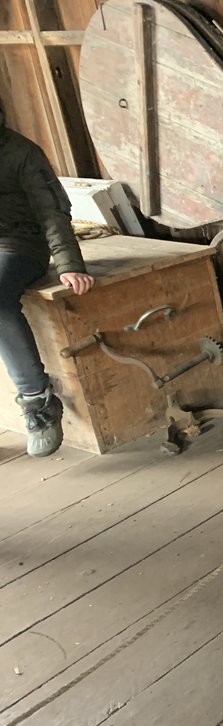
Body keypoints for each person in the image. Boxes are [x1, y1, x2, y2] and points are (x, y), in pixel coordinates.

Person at [0, 99, 93, 457]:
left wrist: (69, 262)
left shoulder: (21, 153)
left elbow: (53, 211)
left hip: (19, 244)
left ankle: (38, 402)